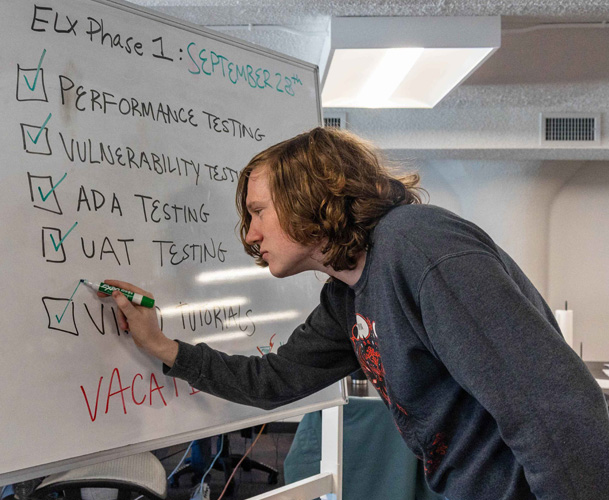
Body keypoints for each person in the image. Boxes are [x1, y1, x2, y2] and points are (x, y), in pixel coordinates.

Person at [102, 127, 609, 500]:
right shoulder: (349, 293)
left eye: (258, 212)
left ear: (309, 195)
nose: (250, 235)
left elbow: (557, 410)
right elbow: (273, 381)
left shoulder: (418, 245)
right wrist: (162, 347)